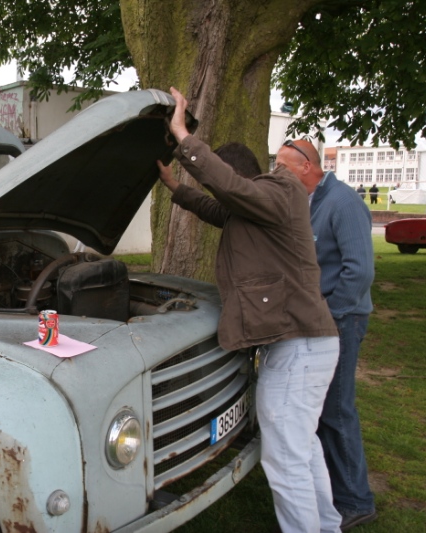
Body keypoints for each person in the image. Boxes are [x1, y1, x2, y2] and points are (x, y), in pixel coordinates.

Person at [158, 87, 341, 533]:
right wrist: (175, 187)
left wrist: (183, 136)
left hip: (299, 349)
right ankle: (330, 525)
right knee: (304, 447)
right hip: (303, 347)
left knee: (284, 458)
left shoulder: (280, 190)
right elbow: (216, 206)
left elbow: (227, 189)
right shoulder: (256, 213)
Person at [279, 139, 377, 531]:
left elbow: (360, 272)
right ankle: (336, 492)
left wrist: (330, 316)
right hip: (324, 322)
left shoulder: (344, 202)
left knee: (337, 411)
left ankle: (356, 500)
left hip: (343, 321)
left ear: (306, 166)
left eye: (284, 168)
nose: (278, 175)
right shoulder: (308, 201)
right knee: (322, 413)